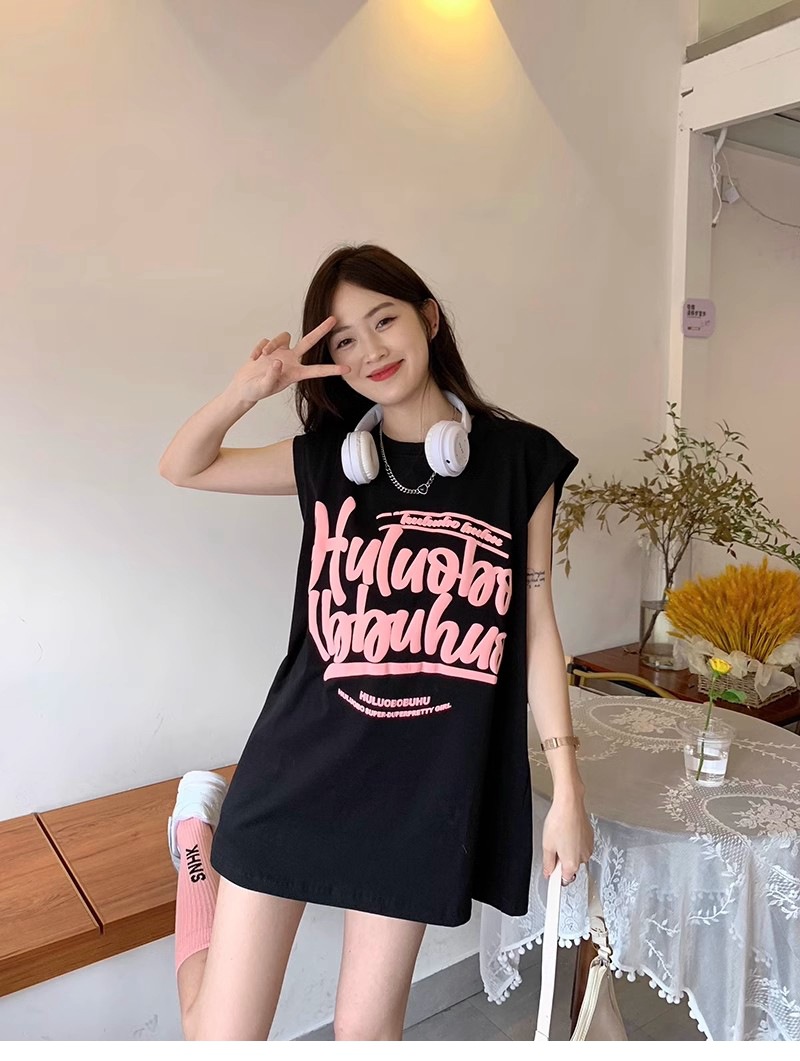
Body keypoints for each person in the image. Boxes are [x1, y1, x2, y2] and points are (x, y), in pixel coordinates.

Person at [158, 243, 593, 1041]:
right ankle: (196, 844)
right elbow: (183, 467)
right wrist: (247, 388)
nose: (370, 351)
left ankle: (196, 838)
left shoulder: (518, 462)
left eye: (384, 320)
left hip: (418, 792)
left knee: (366, 1033)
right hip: (297, 766)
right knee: (217, 1038)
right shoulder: (330, 461)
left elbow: (536, 623)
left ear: (429, 317)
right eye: (345, 340)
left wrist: (568, 790)